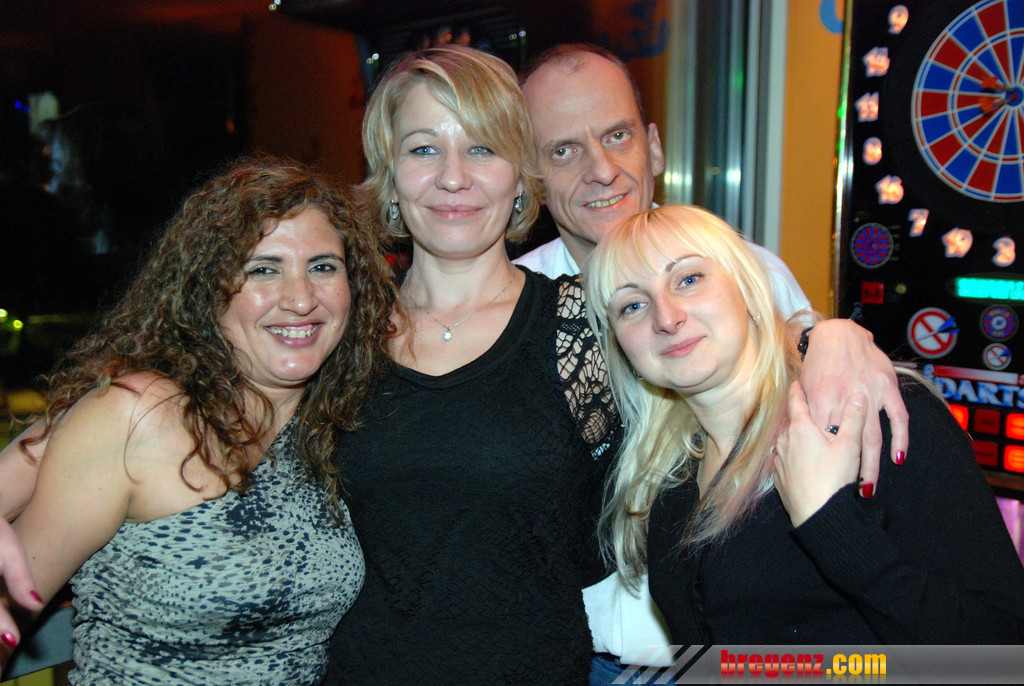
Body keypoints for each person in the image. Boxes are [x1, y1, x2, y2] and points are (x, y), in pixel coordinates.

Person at [513, 43, 910, 681]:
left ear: (654, 147)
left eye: (617, 136)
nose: (602, 170)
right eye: (563, 150)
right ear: (532, 176)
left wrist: (832, 335)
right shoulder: (515, 309)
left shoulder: (745, 274)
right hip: (577, 662)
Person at [0, 155, 396, 683]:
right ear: (208, 287)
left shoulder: (329, 424)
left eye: (323, 267)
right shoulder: (139, 417)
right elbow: (11, 602)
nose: (301, 298)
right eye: (263, 269)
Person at [584, 204, 1024, 644]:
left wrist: (831, 523)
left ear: (748, 287)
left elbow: (1001, 649)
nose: (666, 318)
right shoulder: (668, 476)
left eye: (689, 279)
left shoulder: (875, 417)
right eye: (632, 305)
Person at [324, 44, 617, 683]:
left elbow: (722, 402)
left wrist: (823, 339)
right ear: (390, 174)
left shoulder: (584, 327)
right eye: (424, 149)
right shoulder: (336, 332)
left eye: (482, 148)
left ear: (520, 175)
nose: (453, 177)